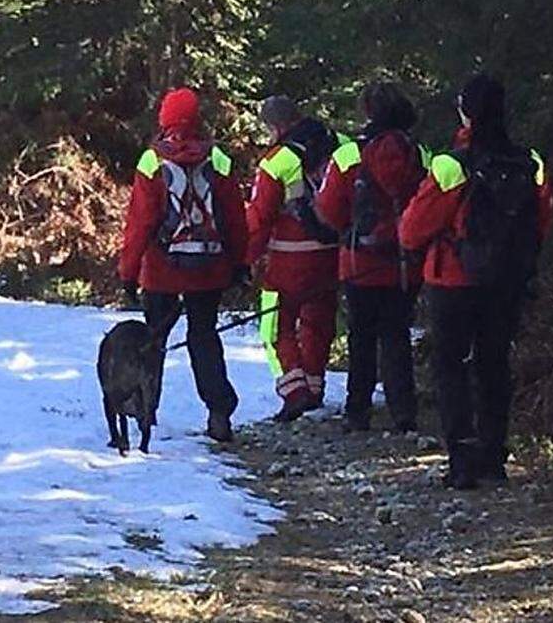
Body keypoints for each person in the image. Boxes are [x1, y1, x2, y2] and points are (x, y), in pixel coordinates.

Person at [399, 74, 553, 489]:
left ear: (466, 112)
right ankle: (494, 456)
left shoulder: (452, 165)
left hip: (452, 280)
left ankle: (462, 459)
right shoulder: (531, 162)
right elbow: (541, 221)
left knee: (451, 366)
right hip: (505, 279)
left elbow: (411, 230)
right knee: (494, 363)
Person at [118, 87, 250, 443]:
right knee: (203, 337)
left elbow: (140, 224)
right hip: (209, 267)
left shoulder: (152, 161)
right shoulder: (218, 159)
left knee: (155, 340)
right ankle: (219, 411)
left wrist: (128, 273)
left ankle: (146, 409)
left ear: (164, 119)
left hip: (162, 268)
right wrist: (240, 263)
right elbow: (235, 220)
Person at [314, 83, 428, 433]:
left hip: (359, 260)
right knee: (397, 334)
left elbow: (328, 208)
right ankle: (403, 410)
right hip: (405, 263)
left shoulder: (349, 155)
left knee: (361, 337)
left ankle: (357, 410)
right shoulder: (420, 153)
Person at [245, 95, 343, 422]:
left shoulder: (277, 161)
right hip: (331, 255)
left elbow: (259, 218)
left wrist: (246, 259)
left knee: (275, 329)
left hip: (288, 260)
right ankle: (315, 388)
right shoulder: (338, 144)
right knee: (318, 323)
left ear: (276, 126)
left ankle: (294, 391)